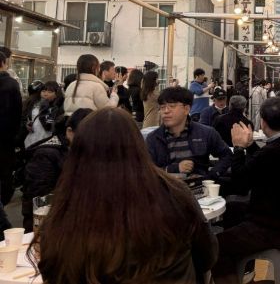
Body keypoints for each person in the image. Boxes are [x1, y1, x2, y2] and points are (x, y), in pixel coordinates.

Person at [29, 108, 216, 284]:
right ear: (139, 145)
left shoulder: (69, 203)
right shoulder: (173, 192)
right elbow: (207, 256)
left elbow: (52, 269)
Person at [212, 97, 280, 284]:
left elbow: (240, 184)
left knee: (216, 246)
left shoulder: (272, 152)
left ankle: (234, 272)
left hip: (272, 226)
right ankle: (245, 268)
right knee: (232, 209)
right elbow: (262, 163)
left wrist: (238, 148)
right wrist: (250, 146)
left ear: (262, 122)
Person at [21, 108, 92, 232]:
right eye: (88, 136)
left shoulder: (80, 152)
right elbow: (41, 199)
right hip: (48, 225)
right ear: (69, 132)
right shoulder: (45, 155)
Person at [146, 87, 232, 181]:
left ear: (186, 109)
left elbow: (227, 155)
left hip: (198, 187)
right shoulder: (154, 138)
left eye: (172, 106)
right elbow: (146, 170)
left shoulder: (205, 133)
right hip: (165, 187)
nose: (166, 111)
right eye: (162, 107)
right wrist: (174, 168)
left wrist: (212, 175)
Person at [0, 51, 22, 231]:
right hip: (5, 141)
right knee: (4, 176)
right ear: (4, 63)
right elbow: (16, 114)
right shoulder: (11, 84)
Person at [22, 81, 65, 150]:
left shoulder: (58, 107)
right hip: (32, 138)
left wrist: (45, 106)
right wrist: (27, 124)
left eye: (50, 92)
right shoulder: (35, 104)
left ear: (56, 94)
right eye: (43, 91)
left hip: (48, 141)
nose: (45, 94)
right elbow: (26, 117)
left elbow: (48, 126)